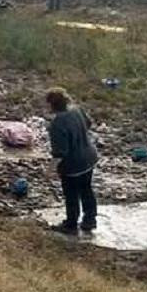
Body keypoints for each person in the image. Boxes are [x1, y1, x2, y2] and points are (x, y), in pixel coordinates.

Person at [46, 88, 99, 234]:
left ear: (52, 105)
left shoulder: (57, 124)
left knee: (71, 194)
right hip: (89, 157)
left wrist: (50, 170)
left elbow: (60, 153)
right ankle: (90, 220)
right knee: (87, 189)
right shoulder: (77, 110)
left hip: (73, 165)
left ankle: (71, 224)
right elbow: (89, 124)